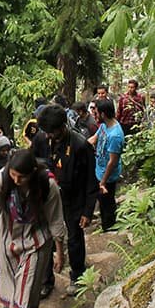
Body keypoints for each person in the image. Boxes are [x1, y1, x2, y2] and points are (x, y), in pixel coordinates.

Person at [0, 148, 65, 308]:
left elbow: (55, 218)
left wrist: (60, 252)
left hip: (36, 236)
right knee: (9, 274)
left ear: (32, 173)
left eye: (21, 177)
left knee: (32, 280)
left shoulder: (48, 185)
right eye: (13, 175)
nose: (16, 180)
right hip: (8, 233)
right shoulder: (1, 179)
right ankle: (7, 307)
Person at [38, 104, 98, 296]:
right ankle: (46, 281)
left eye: (51, 132)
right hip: (50, 197)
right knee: (46, 237)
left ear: (62, 127)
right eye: (46, 132)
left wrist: (88, 211)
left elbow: (91, 181)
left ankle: (77, 275)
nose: (48, 136)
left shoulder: (81, 146)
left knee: (74, 237)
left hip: (74, 198)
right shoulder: (43, 139)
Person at [90, 98, 124, 232]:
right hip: (99, 171)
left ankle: (109, 229)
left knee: (107, 204)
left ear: (103, 114)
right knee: (103, 202)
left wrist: (103, 182)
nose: (94, 115)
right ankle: (105, 225)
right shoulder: (104, 126)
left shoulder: (115, 135)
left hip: (107, 177)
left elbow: (113, 161)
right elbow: (94, 138)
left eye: (96, 112)